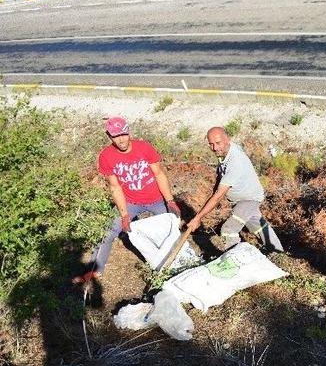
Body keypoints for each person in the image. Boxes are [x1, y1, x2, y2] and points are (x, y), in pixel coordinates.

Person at [73, 116, 181, 283]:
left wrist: (170, 200)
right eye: (115, 136)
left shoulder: (144, 148)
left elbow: (159, 174)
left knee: (170, 230)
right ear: (109, 136)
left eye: (123, 134)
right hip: (131, 202)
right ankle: (94, 270)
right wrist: (124, 215)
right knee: (107, 232)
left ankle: (177, 264)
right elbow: (115, 188)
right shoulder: (106, 156)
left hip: (156, 199)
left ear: (128, 132)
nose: (121, 139)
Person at [185, 127, 283, 253]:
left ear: (227, 140)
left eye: (218, 143)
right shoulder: (226, 151)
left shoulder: (235, 162)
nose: (215, 148)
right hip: (245, 198)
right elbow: (219, 180)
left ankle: (236, 260)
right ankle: (279, 253)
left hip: (249, 199)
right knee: (260, 227)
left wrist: (198, 218)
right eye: (211, 144)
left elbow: (219, 195)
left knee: (229, 229)